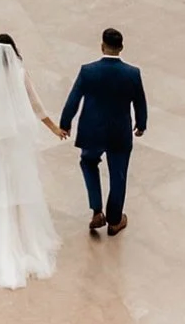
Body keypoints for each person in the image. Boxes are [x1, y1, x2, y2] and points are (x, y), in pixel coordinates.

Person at [0, 35, 65, 289]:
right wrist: (53, 127)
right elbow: (35, 104)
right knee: (17, 175)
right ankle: (21, 219)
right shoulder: (21, 74)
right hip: (17, 136)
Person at [59, 28, 147, 238]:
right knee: (118, 175)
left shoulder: (88, 71)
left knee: (88, 162)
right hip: (119, 133)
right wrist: (141, 124)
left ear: (102, 46)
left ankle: (97, 210)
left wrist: (65, 123)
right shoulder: (132, 73)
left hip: (92, 132)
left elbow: (73, 99)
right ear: (121, 48)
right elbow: (140, 102)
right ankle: (115, 221)